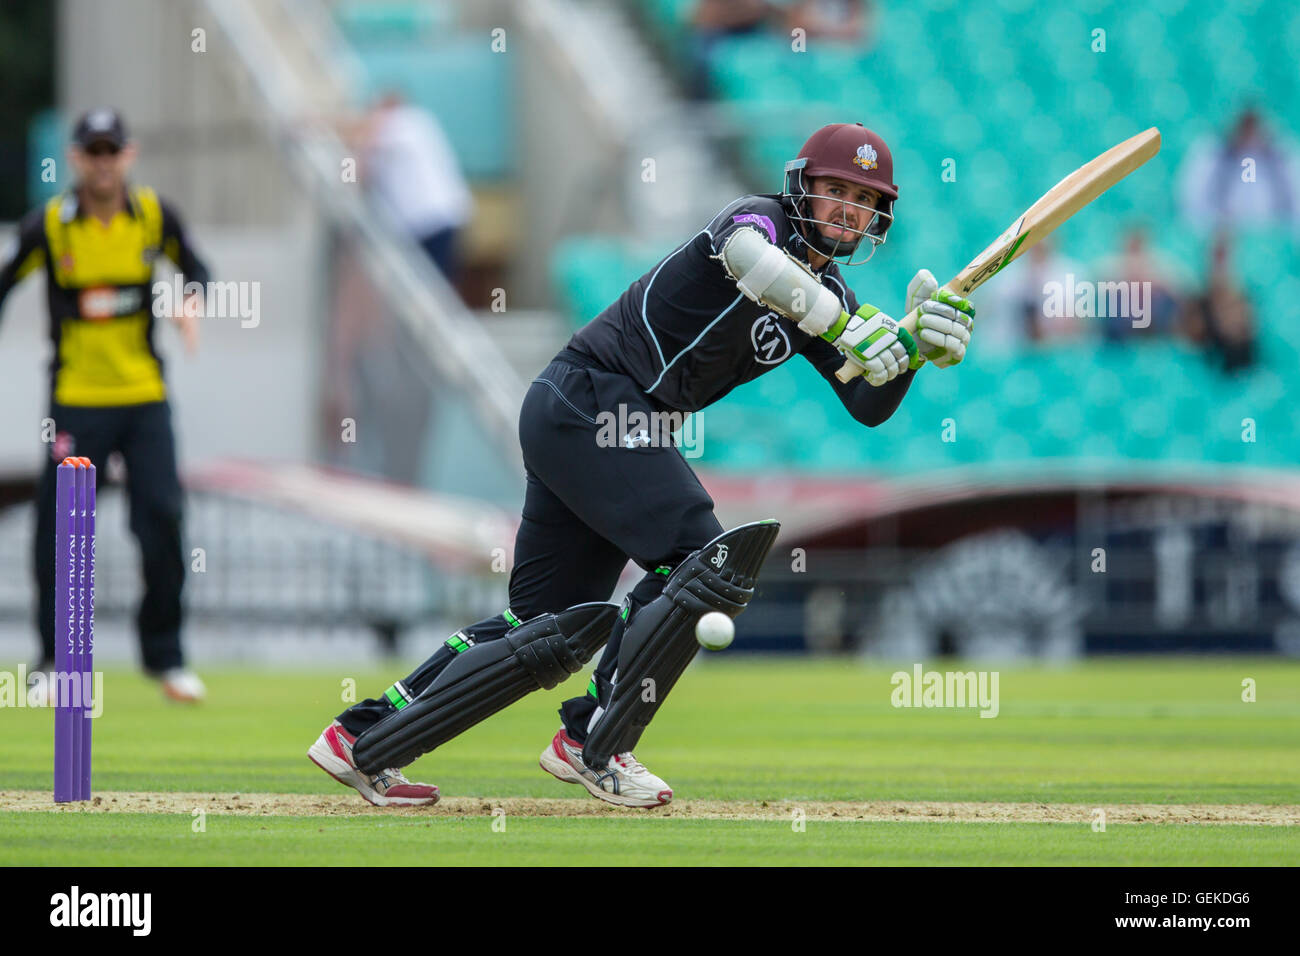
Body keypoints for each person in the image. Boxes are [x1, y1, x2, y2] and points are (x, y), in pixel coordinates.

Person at [307, 122, 976, 807]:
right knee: (702, 556)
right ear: (801, 186)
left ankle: (362, 739)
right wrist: (841, 324)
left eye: (862, 200)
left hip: (594, 418)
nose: (845, 209)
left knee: (546, 626)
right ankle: (598, 740)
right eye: (834, 189)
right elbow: (751, 260)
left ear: (877, 217)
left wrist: (913, 349)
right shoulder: (759, 223)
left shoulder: (830, 295)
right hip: (593, 399)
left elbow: (866, 401)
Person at [0, 108, 208, 703]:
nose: (101, 162)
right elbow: (5, 283)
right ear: (74, 159)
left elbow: (197, 269)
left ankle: (166, 657)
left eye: (110, 151)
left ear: (128, 155)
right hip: (75, 402)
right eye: (91, 152)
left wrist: (191, 300)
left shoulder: (152, 216)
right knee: (63, 531)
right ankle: (54, 661)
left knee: (163, 518)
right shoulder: (50, 226)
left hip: (144, 397)